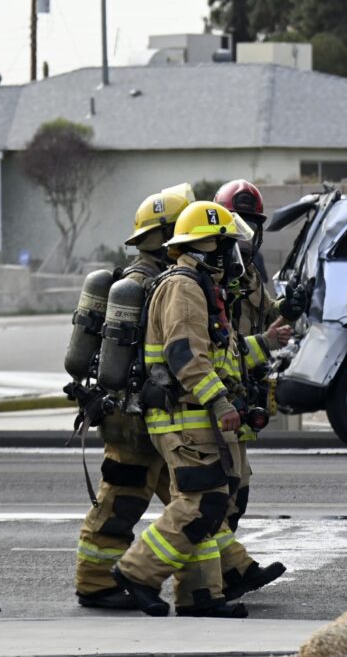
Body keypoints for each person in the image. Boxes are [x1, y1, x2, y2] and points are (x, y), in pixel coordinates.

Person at [113, 200, 256, 619]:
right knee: (199, 502)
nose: (232, 256)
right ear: (208, 248)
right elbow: (185, 354)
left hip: (190, 414)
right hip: (184, 414)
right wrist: (220, 400)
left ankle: (200, 595)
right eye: (226, 247)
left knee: (209, 504)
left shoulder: (197, 284)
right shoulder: (185, 286)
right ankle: (137, 571)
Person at [74, 185, 190, 610]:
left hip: (144, 411)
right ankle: (95, 583)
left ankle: (228, 569)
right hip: (133, 415)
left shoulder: (151, 281)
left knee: (192, 499)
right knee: (121, 500)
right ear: (167, 235)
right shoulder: (148, 286)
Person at [209, 179, 306, 600]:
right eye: (239, 224)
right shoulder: (209, 279)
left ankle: (223, 570)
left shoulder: (247, 273)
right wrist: (264, 343)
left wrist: (290, 308)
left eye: (252, 225)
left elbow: (267, 314)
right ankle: (220, 574)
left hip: (240, 394)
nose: (246, 234)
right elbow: (215, 349)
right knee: (219, 493)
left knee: (238, 490)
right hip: (214, 399)